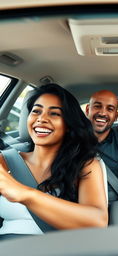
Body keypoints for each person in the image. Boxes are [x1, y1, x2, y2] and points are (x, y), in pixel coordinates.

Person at [0, 84, 108, 238]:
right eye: (36, 111)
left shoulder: (85, 164)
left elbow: (98, 222)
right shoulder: (5, 161)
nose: (41, 119)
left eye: (54, 114)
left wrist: (25, 194)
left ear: (69, 125)